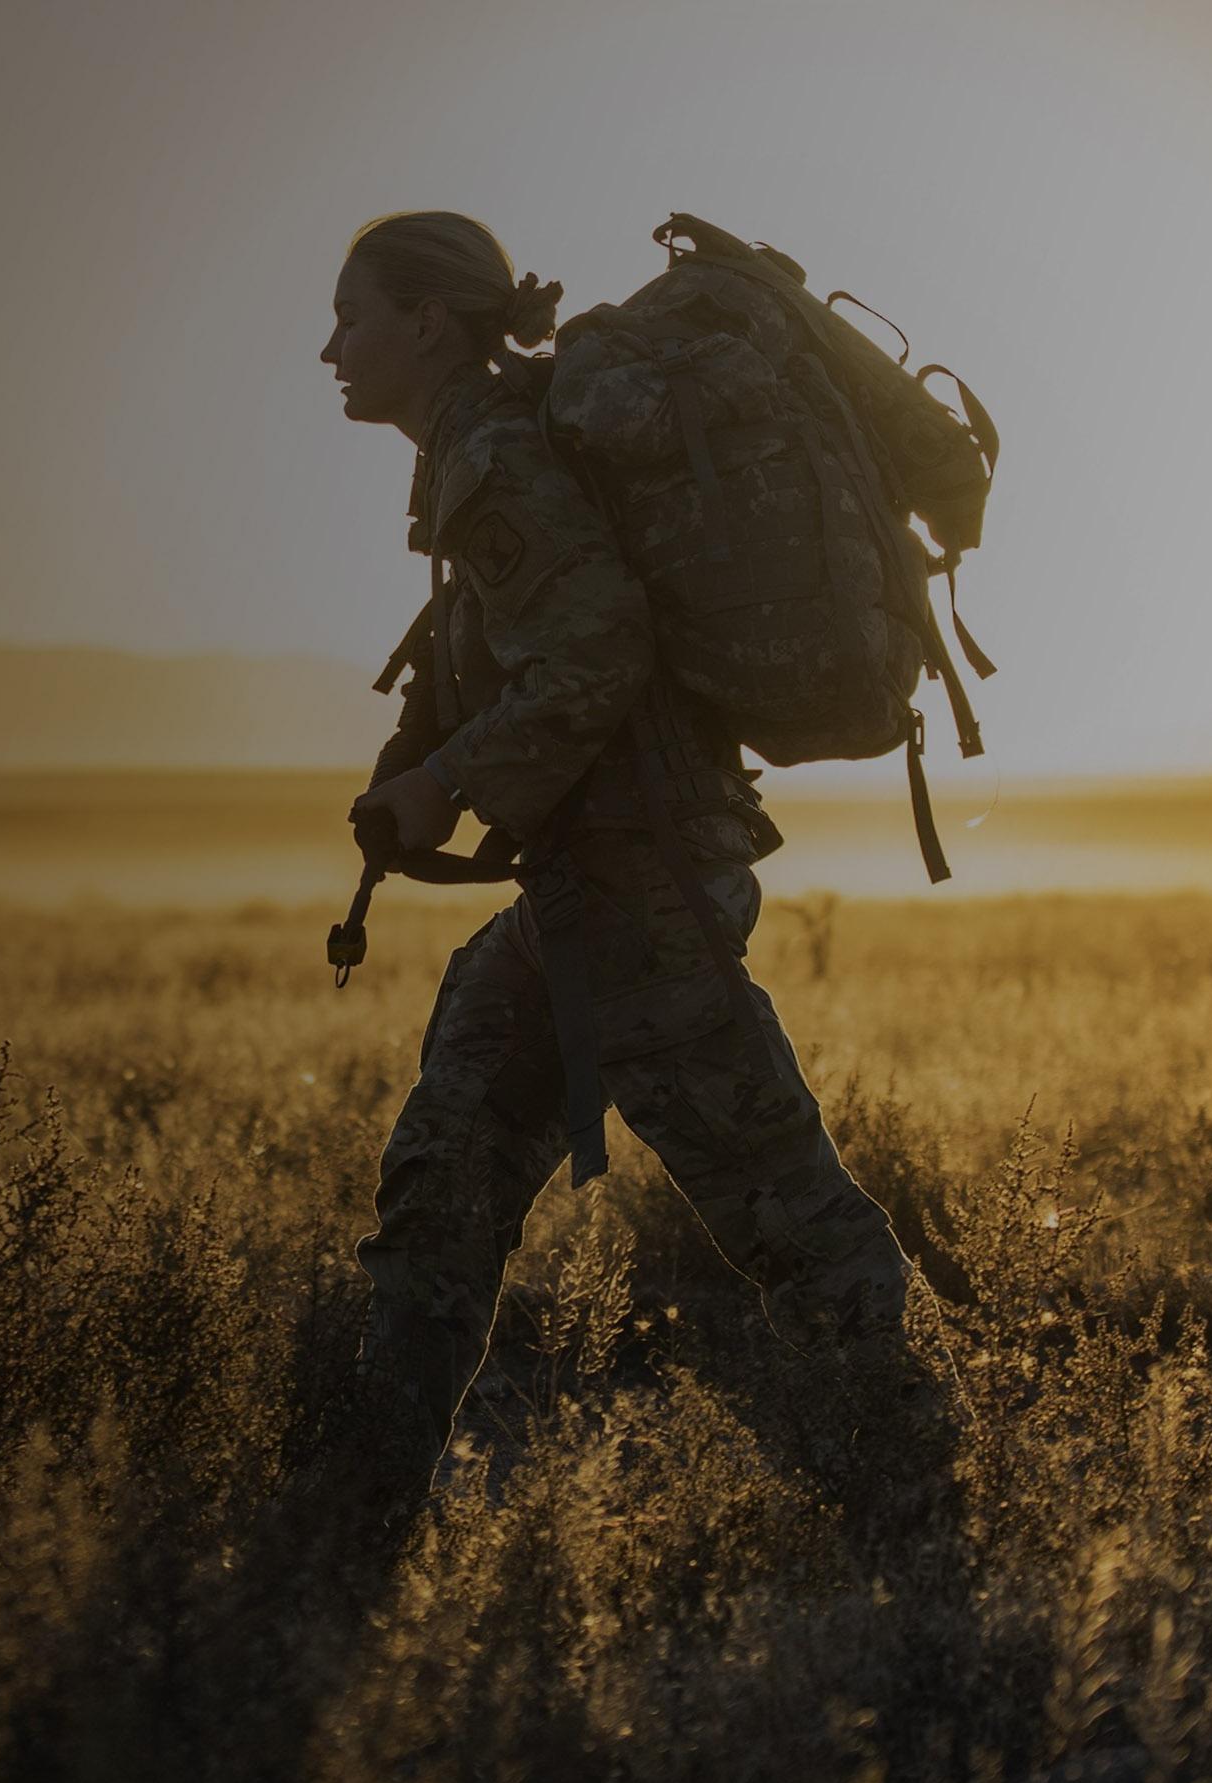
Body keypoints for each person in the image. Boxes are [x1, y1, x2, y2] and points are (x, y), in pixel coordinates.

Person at [321, 210, 920, 1527]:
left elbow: (595, 653)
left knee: (789, 1217)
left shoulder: (494, 455)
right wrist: (426, 744)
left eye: (351, 316)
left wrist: (445, 779)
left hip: (643, 895)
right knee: (444, 1169)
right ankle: (351, 1513)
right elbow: (530, 641)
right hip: (593, 894)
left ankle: (931, 1498)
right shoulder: (477, 456)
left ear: (427, 322)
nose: (330, 349)